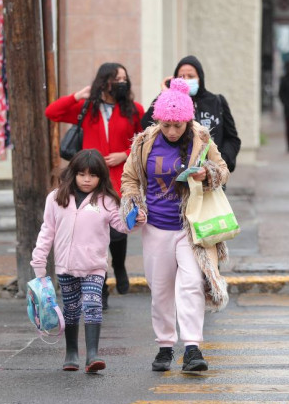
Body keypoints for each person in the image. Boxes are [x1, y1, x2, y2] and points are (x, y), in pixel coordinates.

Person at [122, 78, 230, 373]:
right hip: (155, 227)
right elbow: (130, 179)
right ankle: (165, 347)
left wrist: (206, 174)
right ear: (158, 120)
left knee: (193, 283)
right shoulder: (145, 142)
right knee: (160, 290)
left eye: (177, 125)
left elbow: (223, 169)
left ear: (187, 120)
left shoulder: (201, 138)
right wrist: (134, 206)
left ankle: (192, 347)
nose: (171, 131)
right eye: (166, 125)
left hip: (190, 227)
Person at [31, 149, 144, 374]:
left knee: (93, 305)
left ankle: (92, 355)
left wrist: (136, 220)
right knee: (71, 309)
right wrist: (39, 261)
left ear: (101, 177)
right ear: (73, 173)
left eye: (92, 175)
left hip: (94, 265)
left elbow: (120, 226)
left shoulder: (107, 200)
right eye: (82, 174)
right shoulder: (56, 198)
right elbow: (47, 231)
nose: (86, 179)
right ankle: (71, 353)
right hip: (66, 265)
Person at [45, 63, 145, 307]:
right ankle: (101, 286)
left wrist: (125, 153)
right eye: (116, 79)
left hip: (121, 177)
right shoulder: (87, 107)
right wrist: (77, 96)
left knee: (118, 230)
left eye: (124, 78)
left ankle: (119, 266)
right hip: (91, 179)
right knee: (93, 232)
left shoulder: (135, 110)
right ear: (104, 82)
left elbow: (145, 141)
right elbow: (52, 113)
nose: (121, 82)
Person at [141, 55, 241, 173]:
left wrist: (218, 164)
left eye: (191, 76)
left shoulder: (216, 101)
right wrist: (165, 95)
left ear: (200, 78)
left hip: (211, 173)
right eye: (182, 77)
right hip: (177, 173)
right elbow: (147, 125)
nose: (186, 80)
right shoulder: (170, 104)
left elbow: (232, 139)